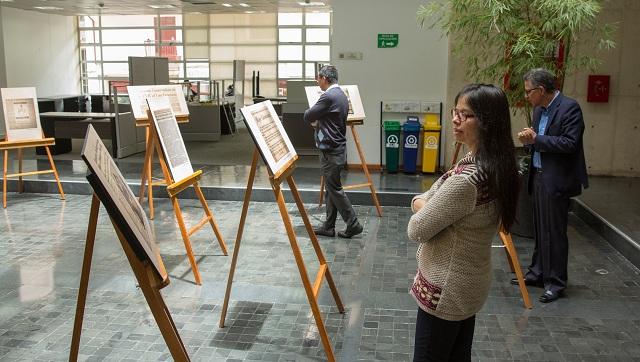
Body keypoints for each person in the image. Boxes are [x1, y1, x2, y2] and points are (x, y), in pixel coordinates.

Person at [408, 84, 519, 361]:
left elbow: (417, 228)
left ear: (487, 122)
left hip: (446, 289)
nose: (456, 119)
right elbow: (428, 200)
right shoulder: (495, 165)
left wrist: (423, 206)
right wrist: (429, 205)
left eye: (466, 115)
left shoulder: (467, 180)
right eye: (456, 112)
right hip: (470, 283)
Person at [515, 68, 588, 303]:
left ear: (541, 90)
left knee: (554, 232)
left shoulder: (570, 108)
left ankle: (556, 282)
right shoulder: (538, 110)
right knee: (540, 228)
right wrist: (529, 141)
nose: (527, 97)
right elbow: (538, 141)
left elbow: (570, 143)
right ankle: (538, 273)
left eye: (528, 92)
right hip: (537, 176)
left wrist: (537, 139)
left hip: (557, 180)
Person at [304, 65, 363, 239]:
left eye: (318, 78)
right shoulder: (341, 95)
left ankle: (353, 224)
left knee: (335, 189)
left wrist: (315, 120)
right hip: (337, 148)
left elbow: (308, 115)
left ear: (325, 78)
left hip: (330, 150)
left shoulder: (328, 96)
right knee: (331, 188)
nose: (317, 81)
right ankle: (329, 226)